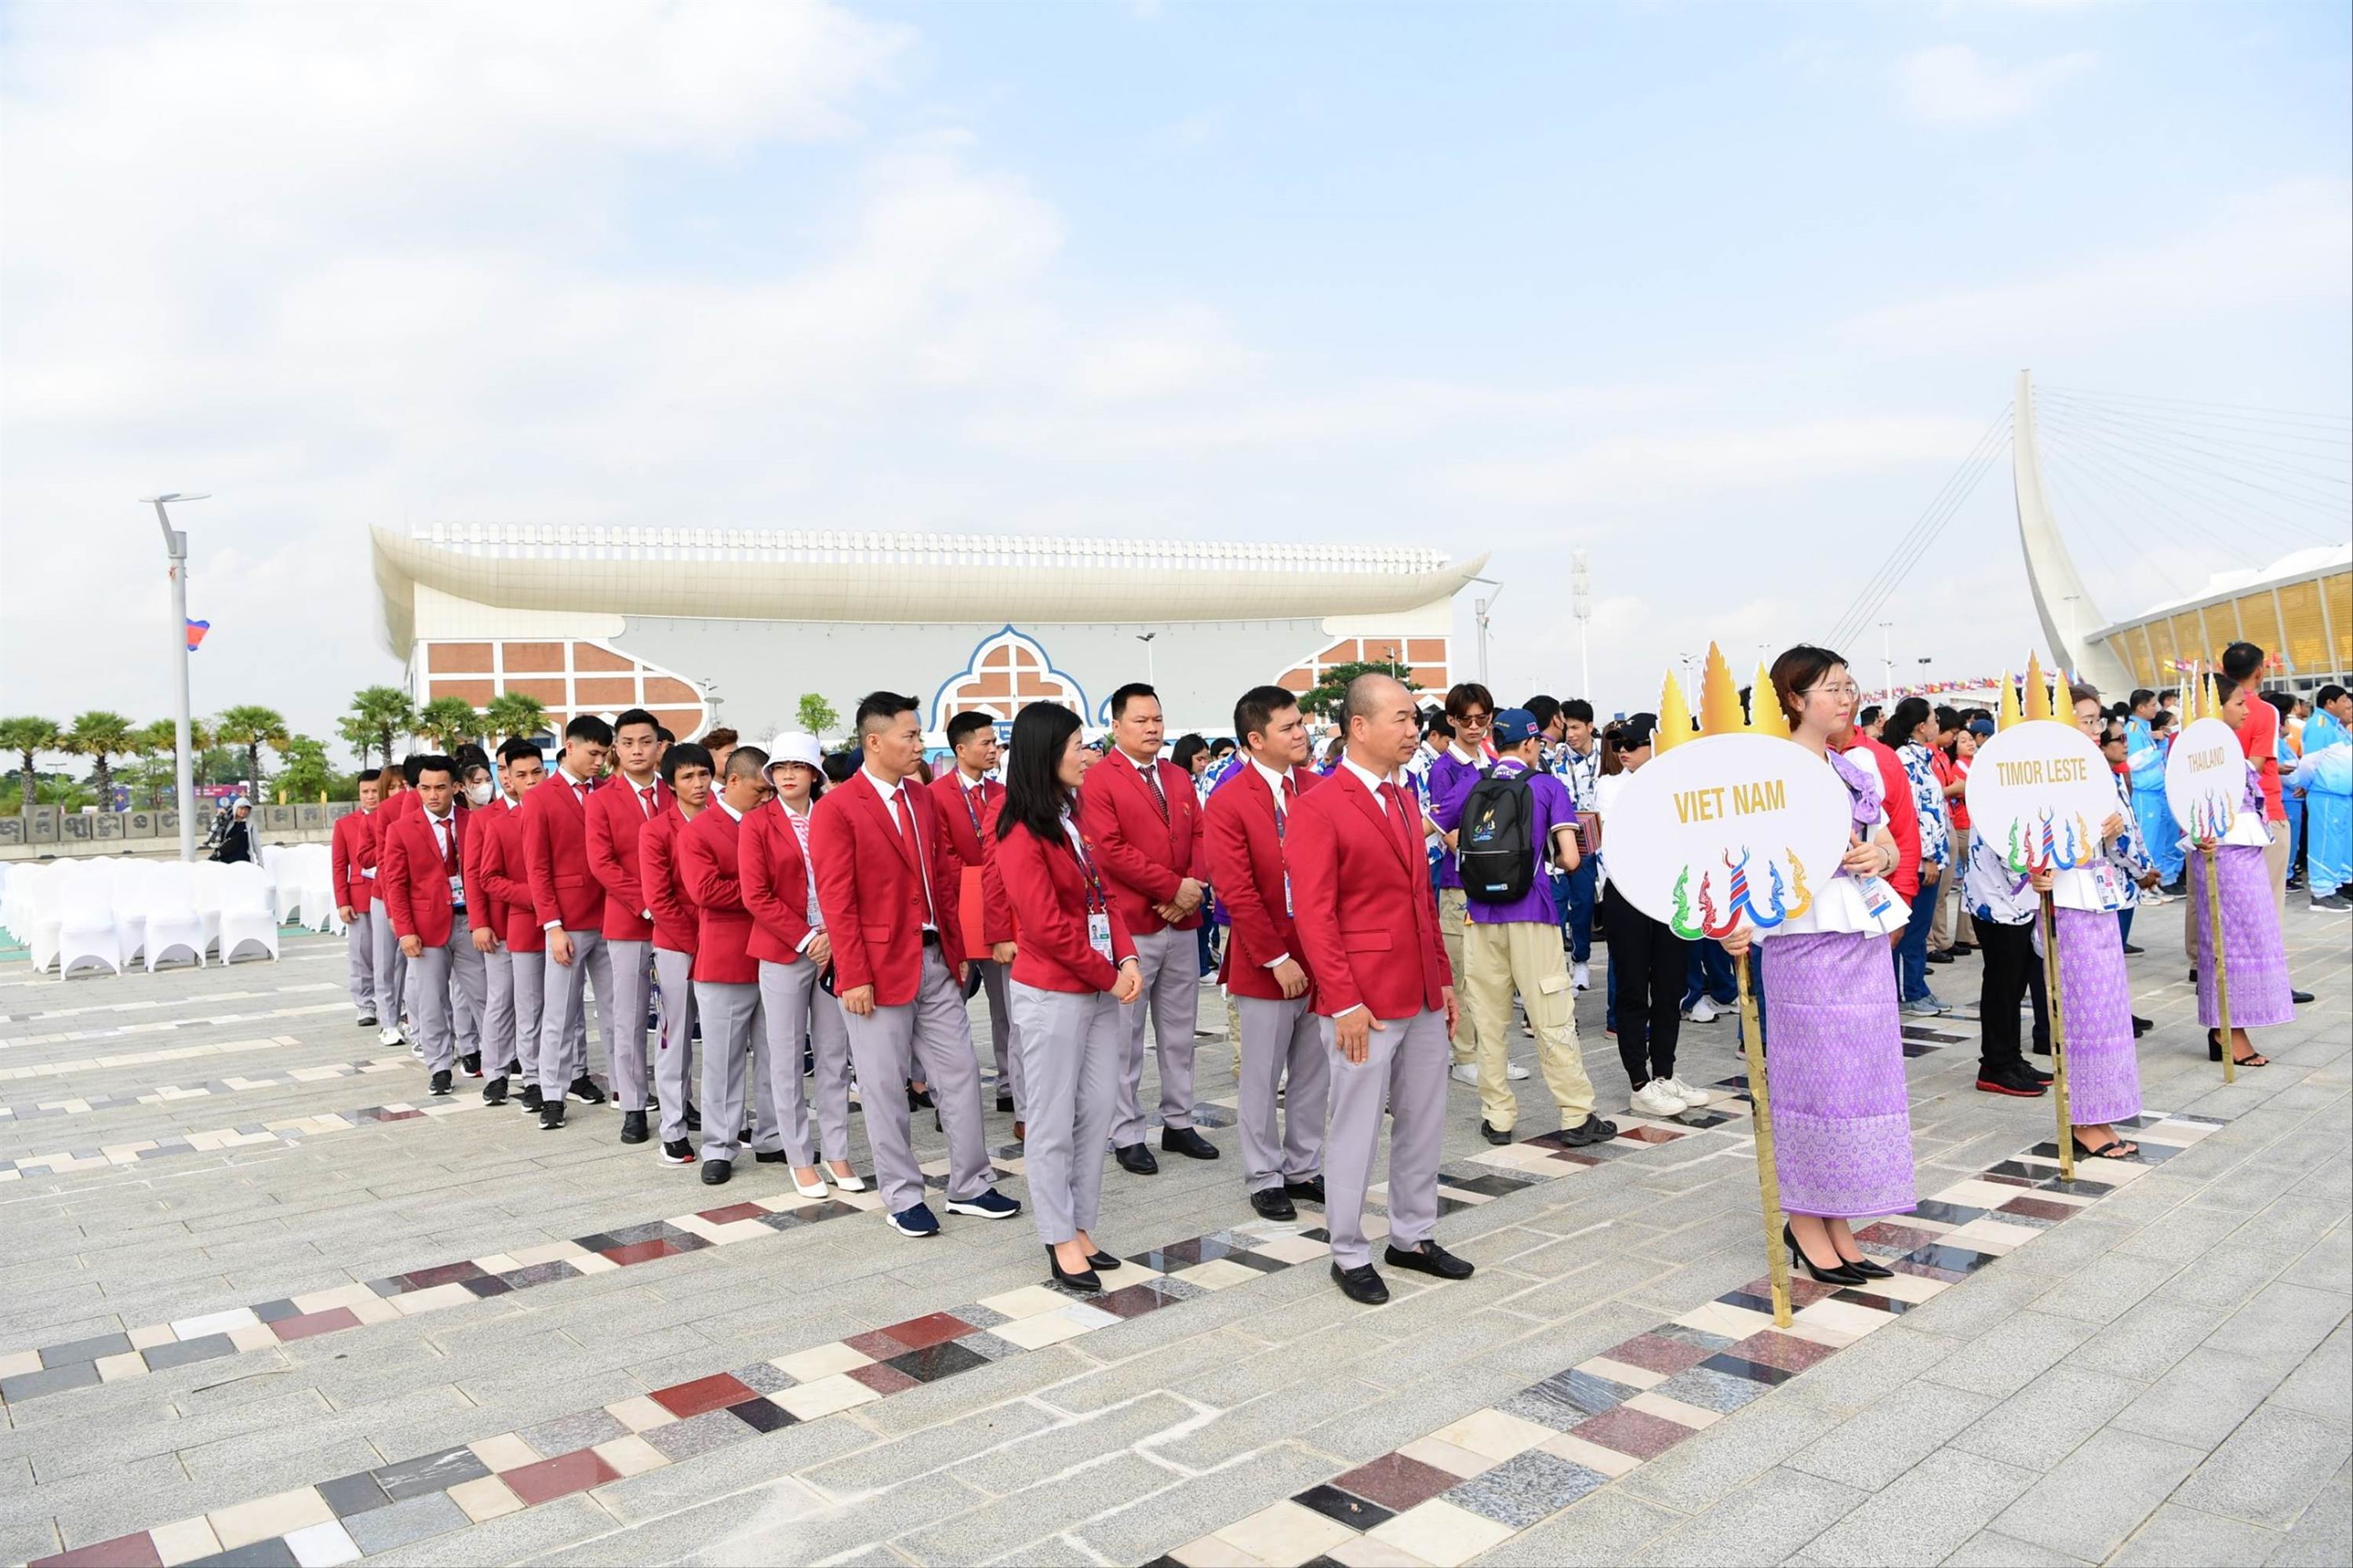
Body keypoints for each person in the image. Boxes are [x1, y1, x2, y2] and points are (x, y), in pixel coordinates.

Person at [1722, 646, 1913, 1286]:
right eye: (1832, 687)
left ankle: (1839, 1218)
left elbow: (1885, 838)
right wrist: (1737, 923)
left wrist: (1878, 859)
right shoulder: (1772, 773)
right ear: (1796, 700)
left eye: (1848, 685)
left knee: (1861, 1082)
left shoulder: (1853, 766)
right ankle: (1805, 1218)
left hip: (1859, 935)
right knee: (1814, 1086)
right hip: (1804, 941)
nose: (1846, 696)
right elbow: (1746, 856)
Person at [1289, 675, 1471, 1305]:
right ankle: (1347, 1248)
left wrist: (1443, 980)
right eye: (1400, 717)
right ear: (1358, 727)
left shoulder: (1401, 795)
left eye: (1414, 716)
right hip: (1360, 999)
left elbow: (1421, 898)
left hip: (1418, 990)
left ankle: (1412, 1235)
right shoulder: (1319, 803)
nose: (1413, 727)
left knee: (1424, 1118)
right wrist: (1343, 1000)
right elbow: (1314, 914)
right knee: (1356, 1127)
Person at [809, 691, 1020, 1237]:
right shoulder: (837, 808)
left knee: (961, 1073)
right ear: (874, 741)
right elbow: (838, 898)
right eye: (909, 734)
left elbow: (946, 880)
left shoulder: (923, 799)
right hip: (874, 970)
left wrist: (960, 950)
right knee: (883, 1085)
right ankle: (902, 1194)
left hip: (937, 960)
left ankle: (970, 1183)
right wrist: (852, 973)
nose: (919, 743)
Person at [992, 702, 1146, 1291]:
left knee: (1098, 1109)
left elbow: (1103, 898)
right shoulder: (1018, 830)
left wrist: (1126, 956)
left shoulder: (1070, 817)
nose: (1087, 755)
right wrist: (1109, 974)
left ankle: (1082, 1222)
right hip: (1054, 992)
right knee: (1053, 1119)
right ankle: (1058, 1235)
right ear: (1044, 752)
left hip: (1100, 985)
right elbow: (1047, 925)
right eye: (1077, 745)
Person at [1446, 708, 1619, 1148]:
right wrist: (1550, 863)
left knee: (1488, 1020)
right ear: (1528, 744)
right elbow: (1572, 858)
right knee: (1551, 1016)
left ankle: (1498, 1117)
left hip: (1480, 916)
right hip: (1533, 913)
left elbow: (1435, 827)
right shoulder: (1547, 786)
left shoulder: (1473, 784)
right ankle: (1576, 1114)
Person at [1203, 685, 1331, 1223]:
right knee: (1261, 1073)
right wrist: (1277, 958)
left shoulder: (1321, 789)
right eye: (1288, 727)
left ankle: (1304, 1166)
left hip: (1322, 952)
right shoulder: (1229, 800)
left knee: (1313, 1070)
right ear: (1256, 739)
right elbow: (1236, 889)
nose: (1301, 733)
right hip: (1265, 959)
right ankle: (1264, 1175)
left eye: (1301, 723)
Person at [1078, 682, 1214, 1174]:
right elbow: (1109, 850)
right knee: (1126, 1035)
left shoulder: (1178, 776)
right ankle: (1126, 1130)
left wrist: (1191, 886)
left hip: (1182, 921)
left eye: (1157, 719)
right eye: (1141, 720)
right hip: (1133, 925)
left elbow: (1201, 833)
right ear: (1116, 726)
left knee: (1179, 1032)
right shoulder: (1100, 780)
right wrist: (1170, 889)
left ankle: (1179, 1121)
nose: (1153, 727)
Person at [742, 733, 853, 1197]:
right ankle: (798, 1157)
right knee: (785, 1056)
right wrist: (809, 937)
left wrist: (834, 935)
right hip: (786, 951)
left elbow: (850, 878)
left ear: (814, 772)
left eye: (797, 767)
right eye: (780, 767)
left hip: (836, 948)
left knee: (833, 1056)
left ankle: (837, 1153)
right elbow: (756, 895)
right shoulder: (756, 823)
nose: (788, 775)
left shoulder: (834, 814)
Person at [680, 746, 787, 1186]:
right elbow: (705, 891)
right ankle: (719, 1146)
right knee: (724, 1060)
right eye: (762, 790)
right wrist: (761, 889)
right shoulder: (700, 830)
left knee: (776, 1054)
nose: (768, 797)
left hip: (779, 953)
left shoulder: (776, 823)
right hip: (727, 959)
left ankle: (773, 1136)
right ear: (736, 782)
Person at [1593, 715, 1710, 1117]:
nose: (1623, 751)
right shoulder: (1611, 786)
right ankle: (1638, 1082)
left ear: (1656, 743)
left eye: (1632, 743)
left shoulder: (1679, 781)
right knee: (1632, 990)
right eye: (1618, 744)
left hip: (1671, 894)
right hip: (1627, 895)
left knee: (1669, 987)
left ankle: (1664, 1073)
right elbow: (1631, 837)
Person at [2189, 675, 2296, 1068]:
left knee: (2254, 940)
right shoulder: (2196, 753)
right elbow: (2188, 805)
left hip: (2247, 851)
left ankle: (2237, 1024)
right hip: (2224, 856)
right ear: (2215, 706)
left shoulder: (2227, 749)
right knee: (2230, 944)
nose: (2246, 710)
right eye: (2237, 703)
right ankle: (2226, 1029)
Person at [523, 714, 616, 1130]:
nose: (599, 761)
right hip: (568, 922)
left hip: (613, 916)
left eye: (604, 754)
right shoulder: (541, 797)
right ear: (570, 745)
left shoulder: (609, 792)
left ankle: (626, 1088)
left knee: (619, 1011)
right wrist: (552, 925)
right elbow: (537, 868)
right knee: (559, 1013)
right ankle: (552, 1095)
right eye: (593, 753)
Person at [930, 710, 1022, 1124]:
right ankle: (946, 1094)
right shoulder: (936, 795)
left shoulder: (1004, 793)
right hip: (957, 909)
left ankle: (1012, 1087)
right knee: (950, 1006)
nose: (993, 749)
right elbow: (940, 856)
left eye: (995, 742)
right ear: (960, 749)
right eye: (985, 742)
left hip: (1001, 909)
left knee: (1009, 1007)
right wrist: (976, 879)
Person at [584, 708, 670, 1144]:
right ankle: (634, 1105)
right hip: (628, 922)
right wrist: (646, 903)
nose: (638, 750)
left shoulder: (676, 793)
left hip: (679, 923)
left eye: (646, 742)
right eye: (629, 743)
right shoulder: (600, 799)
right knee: (629, 1019)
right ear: (617, 749)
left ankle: (677, 1101)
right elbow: (602, 864)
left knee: (678, 1019)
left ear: (659, 746)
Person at [379, 756, 482, 1098]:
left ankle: (494, 1060)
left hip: (471, 922)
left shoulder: (475, 822)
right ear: (417, 789)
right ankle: (439, 1066)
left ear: (456, 787)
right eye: (425, 788)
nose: (433, 795)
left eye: (440, 787)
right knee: (432, 1001)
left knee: (486, 996)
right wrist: (405, 931)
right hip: (425, 928)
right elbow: (395, 884)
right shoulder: (402, 829)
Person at [642, 742, 711, 1164]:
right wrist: (695, 943)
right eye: (688, 777)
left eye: (703, 774)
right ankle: (673, 1128)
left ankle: (724, 1122)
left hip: (724, 944)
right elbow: (659, 898)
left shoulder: (727, 820)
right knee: (674, 1037)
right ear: (671, 785)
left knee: (725, 1041)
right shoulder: (655, 830)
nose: (698, 784)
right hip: (676, 945)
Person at [469, 738, 545, 1108]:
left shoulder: (551, 810)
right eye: (509, 771)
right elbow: (475, 876)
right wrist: (480, 923)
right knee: (502, 1000)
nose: (524, 780)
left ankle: (559, 1071)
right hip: (501, 925)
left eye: (535, 772)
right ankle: (496, 1072)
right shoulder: (487, 820)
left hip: (547, 925)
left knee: (544, 1002)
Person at [1427, 683, 1494, 1086]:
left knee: (1491, 974)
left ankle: (1487, 1052)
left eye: (1482, 719)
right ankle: (1465, 1055)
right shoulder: (1444, 768)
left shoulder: (1490, 759)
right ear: (1451, 721)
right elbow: (1442, 828)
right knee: (1463, 974)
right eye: (1465, 719)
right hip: (1459, 884)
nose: (1474, 726)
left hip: (1494, 885)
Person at [1887, 698, 1954, 1017]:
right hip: (1918, 860)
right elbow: (1913, 813)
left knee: (1921, 927)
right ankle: (1908, 991)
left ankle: (1918, 987)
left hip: (1933, 857)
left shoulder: (1924, 758)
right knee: (1911, 930)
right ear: (1920, 726)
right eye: (1933, 718)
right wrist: (1926, 856)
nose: (1937, 724)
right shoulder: (1905, 761)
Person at [1552, 699, 1603, 991]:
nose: (1570, 734)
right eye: (1566, 727)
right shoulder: (1556, 759)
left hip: (1605, 841)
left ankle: (1582, 961)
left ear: (1589, 727)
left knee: (1590, 903)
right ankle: (1575, 963)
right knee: (1573, 904)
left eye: (1575, 727)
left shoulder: (1606, 756)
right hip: (1573, 839)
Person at [333, 772, 383, 1028]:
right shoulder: (345, 824)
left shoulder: (393, 820)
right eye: (366, 792)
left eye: (375, 791)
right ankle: (365, 1004)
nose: (371, 796)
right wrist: (343, 901)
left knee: (391, 955)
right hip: (360, 898)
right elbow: (339, 866)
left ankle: (397, 1003)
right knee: (361, 953)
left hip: (388, 896)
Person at [2296, 684, 2351, 910]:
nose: (2348, 704)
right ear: (2330, 703)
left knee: (2338, 842)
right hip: (2326, 793)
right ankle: (2321, 892)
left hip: (2340, 793)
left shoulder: (2334, 726)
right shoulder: (2319, 726)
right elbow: (2309, 763)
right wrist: (2308, 785)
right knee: (2325, 842)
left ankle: (2336, 885)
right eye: (2345, 700)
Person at [2124, 689, 2184, 893]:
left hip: (2158, 792)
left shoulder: (2144, 729)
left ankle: (2159, 881)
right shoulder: (2132, 729)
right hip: (2144, 793)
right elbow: (2135, 762)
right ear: (2141, 708)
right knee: (2148, 841)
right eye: (2152, 705)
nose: (2156, 709)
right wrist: (2158, 752)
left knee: (2161, 840)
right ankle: (2146, 886)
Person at [1932, 722, 1980, 958]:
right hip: (1961, 825)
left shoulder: (1974, 764)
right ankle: (1942, 939)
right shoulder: (1957, 766)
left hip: (1970, 825)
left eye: (1970, 739)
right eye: (1962, 740)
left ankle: (1965, 934)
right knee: (1949, 887)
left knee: (1970, 883)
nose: (1969, 743)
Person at [210, 799, 256, 864]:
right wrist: (217, 817)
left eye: (246, 809)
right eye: (241, 809)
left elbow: (256, 844)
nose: (243, 811)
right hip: (226, 862)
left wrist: (261, 863)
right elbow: (213, 834)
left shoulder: (250, 825)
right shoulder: (226, 823)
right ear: (236, 808)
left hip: (244, 862)